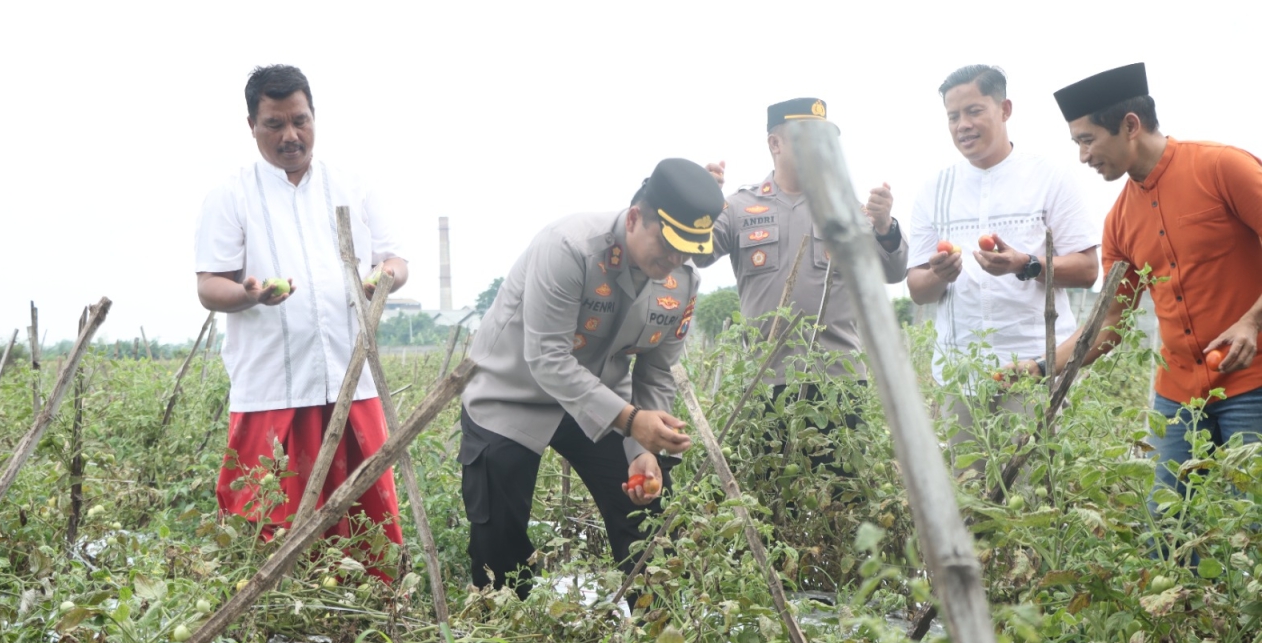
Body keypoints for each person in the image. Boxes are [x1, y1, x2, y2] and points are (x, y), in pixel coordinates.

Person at [459, 158, 722, 599]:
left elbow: (656, 373)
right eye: (670, 243)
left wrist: (643, 449)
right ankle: (503, 629)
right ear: (635, 218)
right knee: (498, 531)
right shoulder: (569, 248)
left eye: (688, 250)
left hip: (601, 401)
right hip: (513, 395)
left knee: (648, 509)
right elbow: (547, 358)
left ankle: (656, 633)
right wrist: (631, 420)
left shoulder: (682, 282)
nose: (676, 259)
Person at [1015, 62, 1262, 509]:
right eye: (1077, 143)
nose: (1083, 156)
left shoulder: (1223, 167)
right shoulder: (1118, 223)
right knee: (1164, 529)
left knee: (1252, 523)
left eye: (1087, 140)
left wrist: (1251, 321)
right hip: (1177, 398)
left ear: (1130, 125)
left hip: (1253, 383)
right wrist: (1040, 366)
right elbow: (1110, 323)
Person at [194, 65, 408, 579]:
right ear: (251, 125)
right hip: (273, 387)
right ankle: (273, 617)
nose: (290, 136)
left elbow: (395, 261)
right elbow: (209, 286)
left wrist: (384, 277)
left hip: (350, 380)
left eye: (300, 120)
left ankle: (374, 612)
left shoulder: (351, 184)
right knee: (267, 521)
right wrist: (249, 294)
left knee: (366, 524)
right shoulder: (232, 194)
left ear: (314, 117)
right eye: (274, 124)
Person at [906, 65, 1099, 478]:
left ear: (1005, 108)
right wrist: (941, 274)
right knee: (971, 499)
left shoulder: (1049, 178)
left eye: (974, 111)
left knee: (1032, 498)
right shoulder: (933, 191)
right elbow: (918, 290)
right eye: (953, 116)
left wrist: (1026, 265)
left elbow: (1087, 270)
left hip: (1033, 367)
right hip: (961, 376)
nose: (963, 125)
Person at [700, 98, 908, 479]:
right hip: (766, 382)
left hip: (840, 382)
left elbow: (892, 271)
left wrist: (884, 226)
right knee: (773, 500)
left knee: (843, 498)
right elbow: (699, 254)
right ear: (775, 144)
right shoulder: (739, 208)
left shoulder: (846, 209)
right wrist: (701, 203)